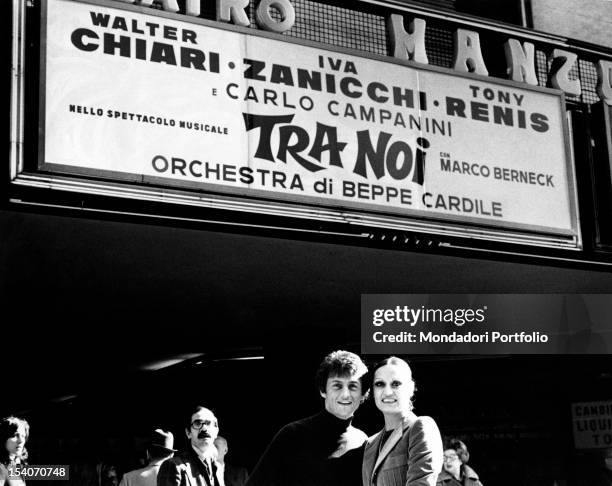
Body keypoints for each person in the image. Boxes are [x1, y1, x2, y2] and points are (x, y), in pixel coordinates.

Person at [246, 350, 370, 486]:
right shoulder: (292, 435)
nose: (345, 394)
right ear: (323, 391)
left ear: (362, 394)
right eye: (337, 386)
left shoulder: (363, 441)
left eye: (352, 386)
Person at [362, 356, 443, 486]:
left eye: (396, 384)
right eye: (380, 384)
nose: (387, 392)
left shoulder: (420, 427)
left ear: (411, 388)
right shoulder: (370, 444)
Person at [157, 406, 224, 486]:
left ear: (216, 431)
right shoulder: (173, 466)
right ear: (188, 433)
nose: (204, 428)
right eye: (197, 423)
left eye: (208, 423)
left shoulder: (217, 468)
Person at [0, 416, 29, 486]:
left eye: (23, 436)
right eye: (15, 435)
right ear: (4, 437)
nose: (21, 441)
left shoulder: (19, 465)